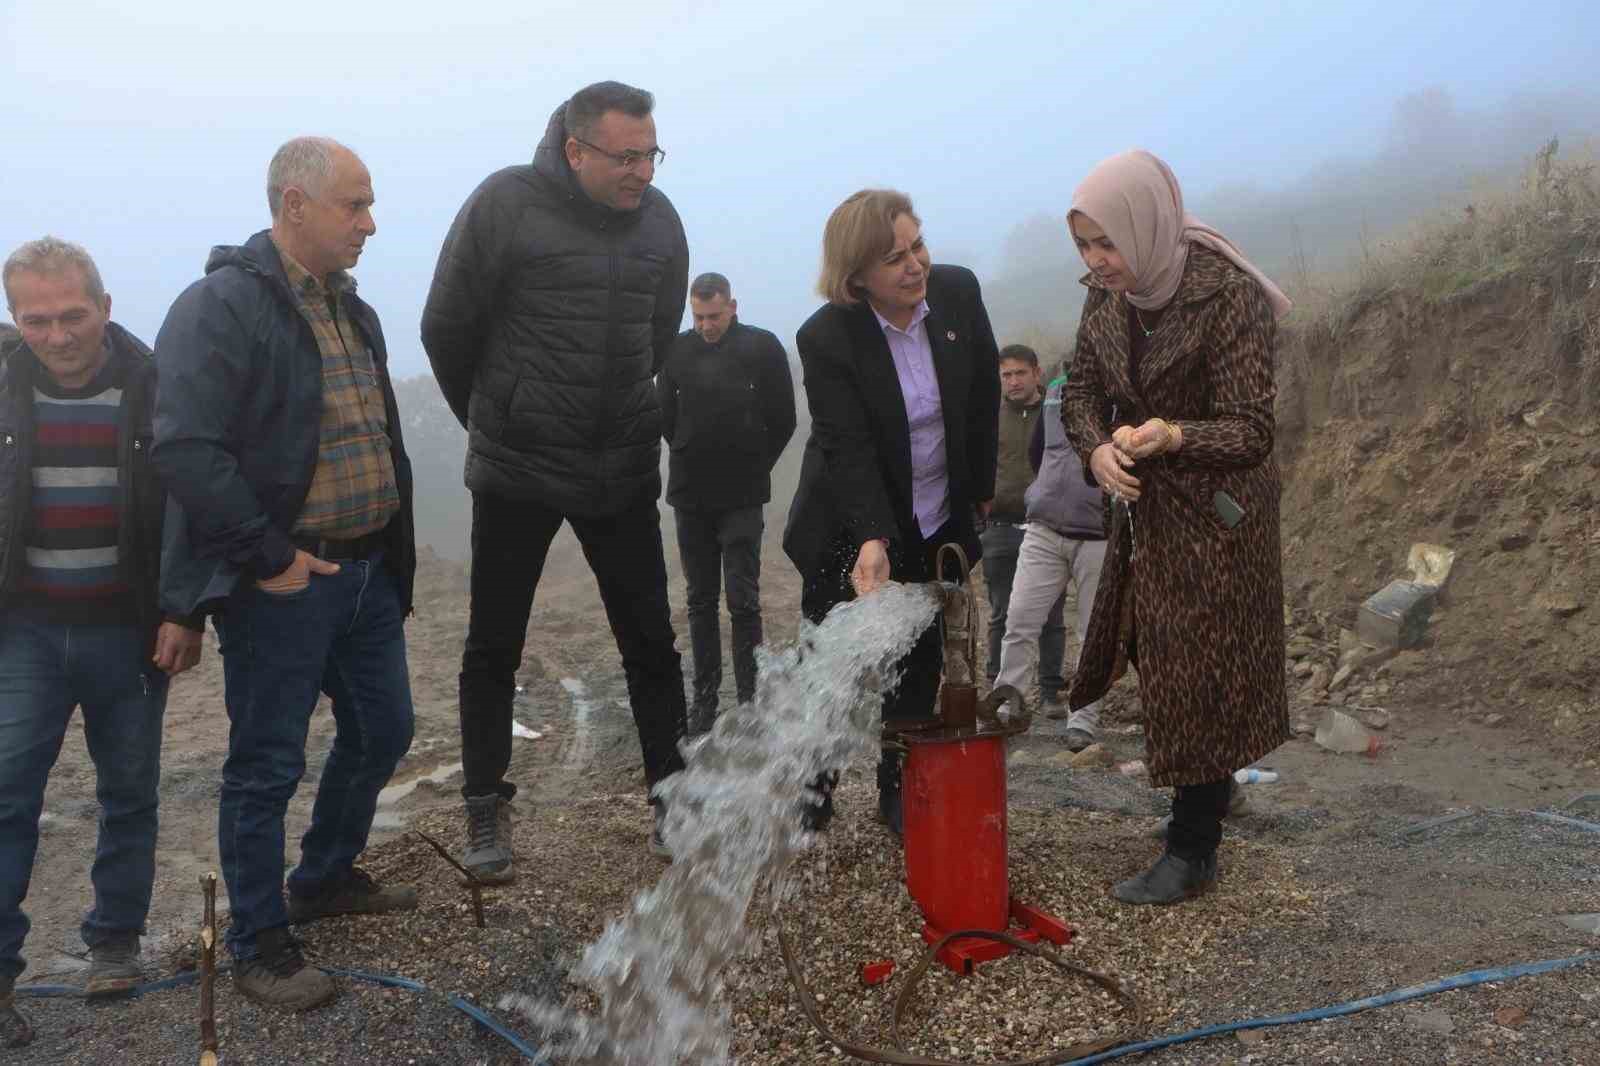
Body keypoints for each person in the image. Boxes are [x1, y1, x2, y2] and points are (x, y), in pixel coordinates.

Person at [154, 137, 419, 1010]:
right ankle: (261, 941)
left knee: (383, 730)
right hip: (286, 587)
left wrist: (393, 558)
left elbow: (377, 436)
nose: (370, 224)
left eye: (370, 205)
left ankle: (325, 876)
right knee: (266, 765)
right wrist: (266, 557)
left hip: (366, 573)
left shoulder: (354, 311)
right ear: (293, 203)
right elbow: (187, 449)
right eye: (355, 205)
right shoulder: (219, 306)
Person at [422, 80, 690, 873]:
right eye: (625, 155)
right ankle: (484, 813)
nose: (641, 170)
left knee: (651, 642)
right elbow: (447, 326)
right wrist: (497, 417)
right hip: (519, 468)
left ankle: (673, 804)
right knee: (493, 643)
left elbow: (660, 327)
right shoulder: (505, 204)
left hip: (623, 463)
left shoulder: (662, 221)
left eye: (651, 153)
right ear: (575, 151)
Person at [1060, 149, 1292, 905]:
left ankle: (1192, 850)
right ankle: (1212, 794)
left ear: (1147, 225)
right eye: (1085, 246)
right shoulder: (1105, 297)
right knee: (1158, 655)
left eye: (1107, 243)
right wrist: (1097, 448)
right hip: (1145, 517)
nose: (1098, 261)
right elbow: (1081, 391)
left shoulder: (1224, 295)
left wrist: (1173, 435)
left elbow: (1254, 428)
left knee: (1195, 667)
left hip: (1218, 524)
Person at [0, 239, 205, 1044]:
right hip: (24, 635)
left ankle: (114, 942)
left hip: (130, 630)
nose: (55, 335)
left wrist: (185, 612)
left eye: (71, 315)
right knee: (7, 798)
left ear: (106, 307)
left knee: (129, 793)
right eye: (34, 319)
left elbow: (192, 505)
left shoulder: (160, 387)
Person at [784, 189, 999, 835]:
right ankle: (813, 789)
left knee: (922, 660)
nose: (915, 265)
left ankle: (896, 788)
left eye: (917, 245)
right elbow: (844, 444)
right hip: (851, 523)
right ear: (856, 278)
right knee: (835, 661)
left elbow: (984, 391)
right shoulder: (827, 336)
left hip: (938, 517)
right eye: (893, 258)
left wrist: (980, 487)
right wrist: (872, 536)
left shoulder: (957, 293)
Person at [658, 272, 796, 733]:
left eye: (713, 315)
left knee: (743, 600)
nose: (706, 325)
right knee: (699, 601)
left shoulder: (762, 347)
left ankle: (752, 700)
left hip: (742, 496)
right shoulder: (676, 350)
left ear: (732, 306)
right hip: (690, 496)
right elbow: (666, 415)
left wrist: (756, 465)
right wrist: (687, 447)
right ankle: (705, 699)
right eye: (698, 317)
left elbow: (784, 418)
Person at [993, 357, 1108, 752]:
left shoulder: (1128, 394)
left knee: (1093, 631)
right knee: (1020, 619)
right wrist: (1043, 492)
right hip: (1044, 527)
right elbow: (1038, 450)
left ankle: (1084, 718)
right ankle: (1009, 706)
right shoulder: (1057, 391)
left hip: (1100, 533)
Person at [982, 344, 1068, 712]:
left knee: (1050, 613)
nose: (1013, 382)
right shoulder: (989, 415)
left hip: (1046, 524)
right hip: (999, 526)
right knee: (1003, 613)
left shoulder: (1057, 411)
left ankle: (1050, 692)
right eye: (1006, 375)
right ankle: (1000, 691)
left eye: (1020, 373)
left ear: (1036, 372)